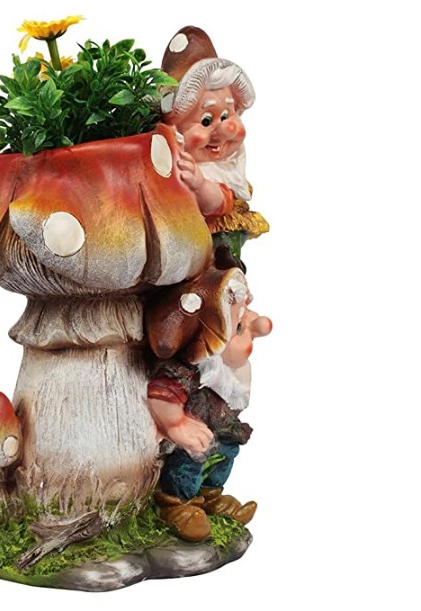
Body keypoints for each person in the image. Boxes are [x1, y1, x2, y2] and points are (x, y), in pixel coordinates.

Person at [145, 256, 272, 542]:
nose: (260, 326)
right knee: (188, 464)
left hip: (221, 428)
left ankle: (211, 495)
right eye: (240, 327)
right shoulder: (189, 371)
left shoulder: (227, 372)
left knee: (226, 455)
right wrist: (176, 424)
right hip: (194, 435)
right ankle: (178, 505)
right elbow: (162, 394)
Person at [160, 26, 269, 258]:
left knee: (219, 248)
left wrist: (200, 185)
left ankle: (224, 267)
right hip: (176, 235)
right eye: (206, 121)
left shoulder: (221, 173)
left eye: (227, 115)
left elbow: (218, 203)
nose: (223, 130)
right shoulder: (169, 158)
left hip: (213, 232)